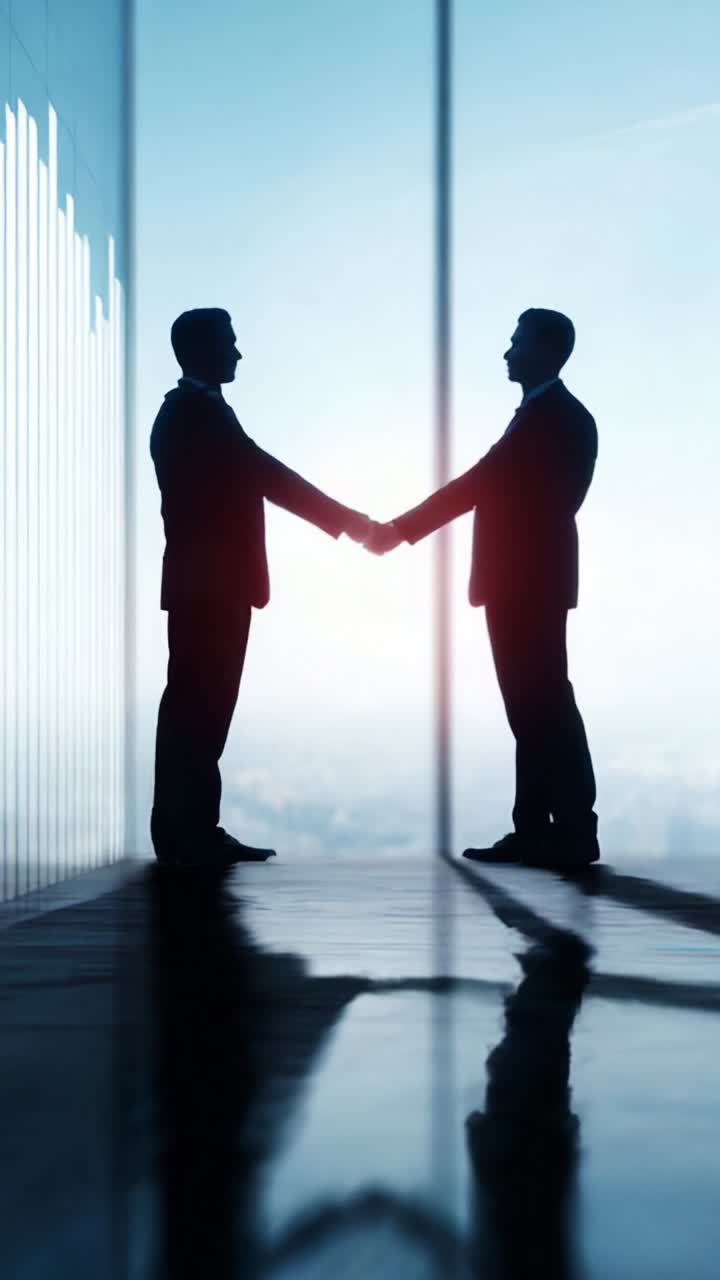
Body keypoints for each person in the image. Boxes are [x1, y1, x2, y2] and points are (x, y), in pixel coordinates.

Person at [365, 309, 599, 870]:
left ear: (544, 349)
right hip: (526, 583)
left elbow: (479, 483)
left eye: (516, 341)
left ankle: (565, 829)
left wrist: (397, 531)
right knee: (534, 704)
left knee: (541, 702)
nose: (507, 352)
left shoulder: (554, 418)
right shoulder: (550, 416)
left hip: (526, 584)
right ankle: (543, 828)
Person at [150, 308, 370, 868]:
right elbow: (265, 474)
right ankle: (186, 834)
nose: (239, 354)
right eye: (230, 342)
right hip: (210, 588)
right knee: (197, 709)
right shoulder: (193, 416)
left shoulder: (201, 414)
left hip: (213, 586)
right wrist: (348, 521)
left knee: (203, 709)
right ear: (201, 349)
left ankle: (194, 828)